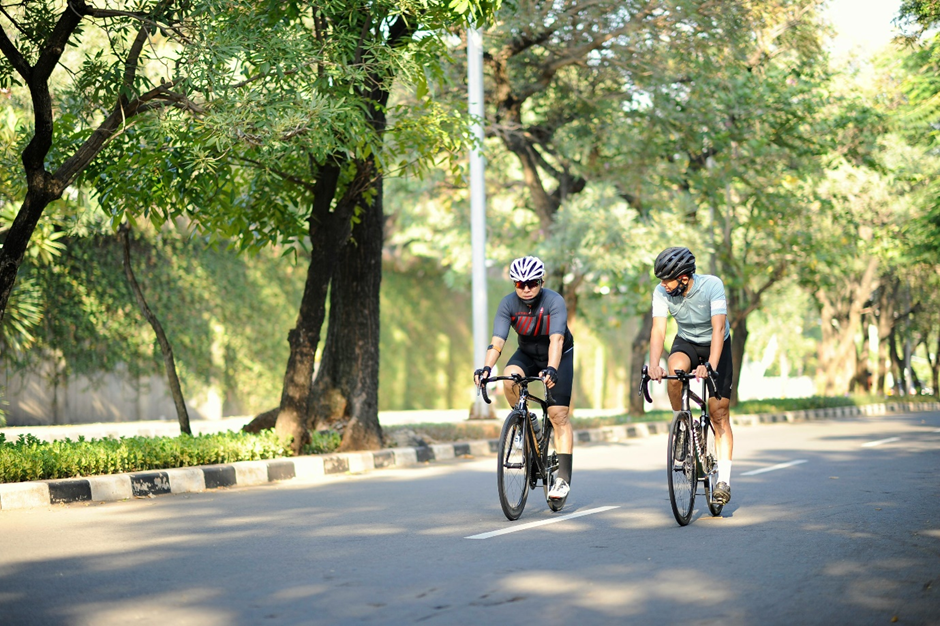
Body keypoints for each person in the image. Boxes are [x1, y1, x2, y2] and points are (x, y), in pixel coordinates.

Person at [474, 256, 575, 502]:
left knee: (558, 415)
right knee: (509, 379)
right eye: (520, 284)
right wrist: (486, 368)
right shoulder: (508, 304)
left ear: (541, 281)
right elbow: (497, 341)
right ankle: (524, 420)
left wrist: (552, 368)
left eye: (531, 283)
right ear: (514, 284)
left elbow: (557, 340)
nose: (526, 288)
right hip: (528, 353)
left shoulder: (554, 301)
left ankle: (563, 478)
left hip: (558, 355)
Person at [647, 246, 734, 504]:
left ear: (683, 278)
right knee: (674, 371)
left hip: (717, 345)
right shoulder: (661, 293)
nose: (662, 285)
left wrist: (710, 366)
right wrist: (654, 364)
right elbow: (658, 331)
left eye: (666, 280)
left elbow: (718, 329)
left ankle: (724, 481)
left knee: (719, 415)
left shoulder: (712, 286)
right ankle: (682, 423)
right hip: (687, 341)